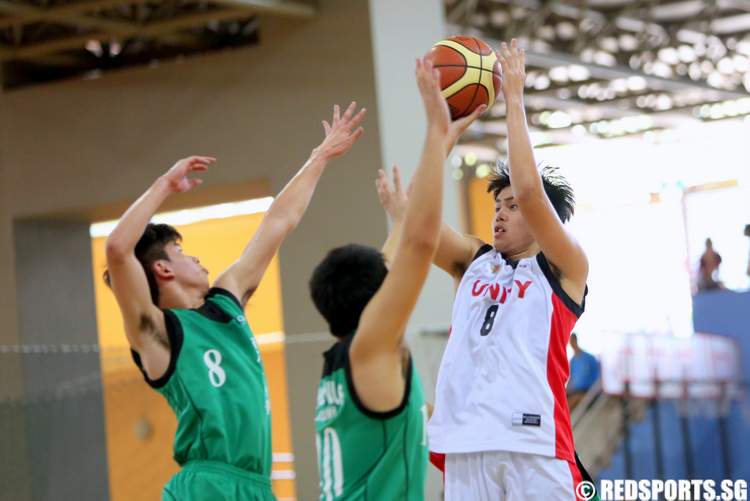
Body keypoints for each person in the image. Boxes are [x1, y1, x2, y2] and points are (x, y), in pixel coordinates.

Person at [103, 102, 365, 500]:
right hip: (207, 485)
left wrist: (319, 157)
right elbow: (118, 250)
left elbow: (278, 221)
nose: (195, 256)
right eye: (180, 250)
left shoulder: (226, 301)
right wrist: (163, 186)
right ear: (162, 270)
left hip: (257, 486)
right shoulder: (157, 334)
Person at [426, 39, 594, 500]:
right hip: (464, 442)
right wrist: (439, 141)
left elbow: (533, 193)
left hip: (534, 444)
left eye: (512, 207)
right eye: (497, 205)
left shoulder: (565, 267)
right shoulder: (474, 262)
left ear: (545, 222)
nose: (500, 213)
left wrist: (514, 98)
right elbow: (414, 222)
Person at [309, 59, 481, 501]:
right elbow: (419, 245)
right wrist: (434, 132)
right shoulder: (371, 348)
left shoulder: (345, 360)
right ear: (378, 295)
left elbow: (398, 249)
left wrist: (439, 155)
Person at [567, 333, 600, 410]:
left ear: (575, 340)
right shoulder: (573, 361)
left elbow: (597, 377)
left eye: (572, 341)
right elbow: (571, 378)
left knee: (572, 402)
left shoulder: (589, 358)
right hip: (575, 391)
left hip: (587, 391)